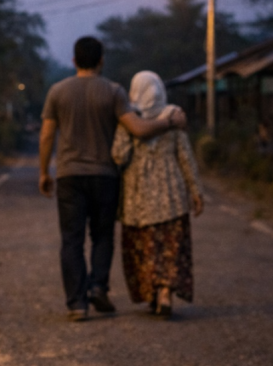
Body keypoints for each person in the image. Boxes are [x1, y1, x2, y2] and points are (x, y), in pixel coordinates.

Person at [39, 37, 187, 322]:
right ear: (101, 61)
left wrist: (44, 172)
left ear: (74, 61)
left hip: (69, 175)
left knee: (71, 240)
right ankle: (98, 286)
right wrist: (170, 122)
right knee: (102, 236)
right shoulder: (114, 91)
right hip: (105, 176)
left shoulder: (57, 91)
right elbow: (138, 128)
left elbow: (46, 135)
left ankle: (77, 304)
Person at [111, 71, 204, 319]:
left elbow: (118, 156)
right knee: (170, 246)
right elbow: (185, 157)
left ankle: (152, 292)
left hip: (138, 199)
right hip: (170, 195)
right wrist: (195, 191)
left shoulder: (129, 120)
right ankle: (164, 293)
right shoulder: (174, 116)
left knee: (145, 248)